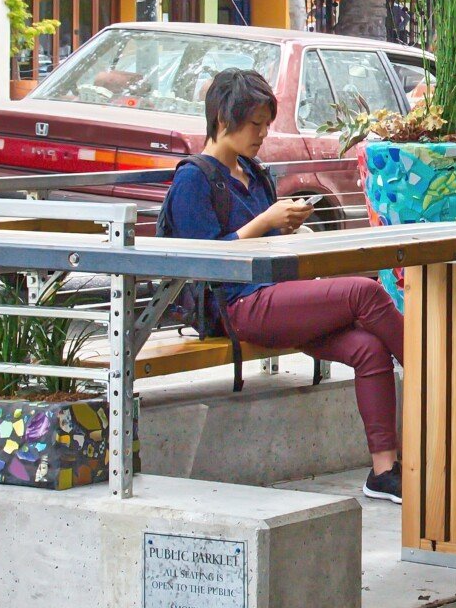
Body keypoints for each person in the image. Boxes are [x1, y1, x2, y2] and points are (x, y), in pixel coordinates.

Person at [161, 68, 408, 503]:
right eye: (254, 124)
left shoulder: (253, 174)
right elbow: (201, 259)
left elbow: (267, 242)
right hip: (238, 306)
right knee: (364, 293)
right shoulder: (194, 178)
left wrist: (286, 222)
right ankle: (436, 373)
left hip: (277, 298)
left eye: (266, 125)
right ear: (223, 119)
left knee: (369, 350)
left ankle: (383, 473)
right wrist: (266, 221)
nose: (262, 134)